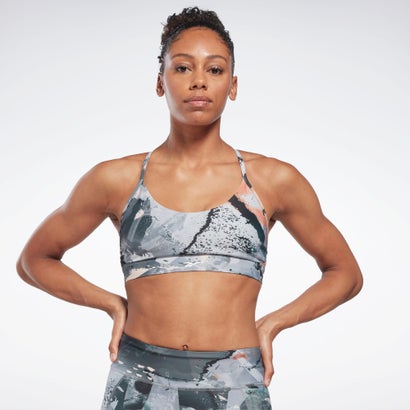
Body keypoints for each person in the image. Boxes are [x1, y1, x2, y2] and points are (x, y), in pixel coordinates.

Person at [16, 6, 363, 410]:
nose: (199, 80)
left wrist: (273, 324)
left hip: (236, 385)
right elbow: (33, 261)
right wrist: (111, 304)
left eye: (214, 70)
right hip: (138, 382)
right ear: (159, 82)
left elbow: (346, 274)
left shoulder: (272, 180)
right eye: (182, 68)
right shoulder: (116, 179)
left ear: (233, 85)